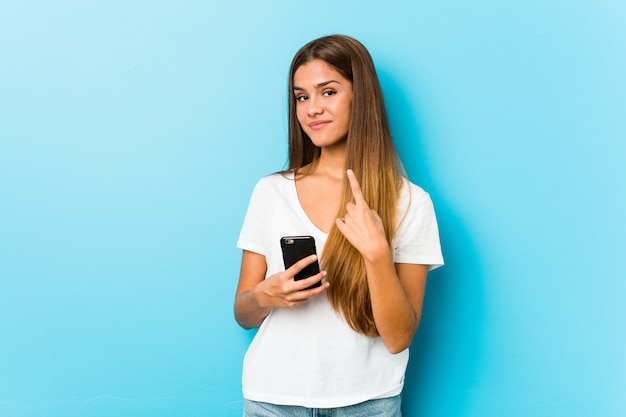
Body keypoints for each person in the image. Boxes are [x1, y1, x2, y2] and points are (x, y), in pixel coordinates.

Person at [234, 34, 444, 416]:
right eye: (301, 97)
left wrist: (377, 253)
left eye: (327, 92)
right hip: (273, 400)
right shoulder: (270, 192)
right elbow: (243, 313)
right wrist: (265, 295)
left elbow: (398, 338)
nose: (312, 109)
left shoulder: (410, 203)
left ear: (360, 96)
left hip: (368, 402)